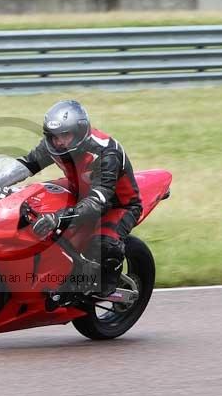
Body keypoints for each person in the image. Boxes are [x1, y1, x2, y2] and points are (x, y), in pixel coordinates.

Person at [16, 100, 143, 298]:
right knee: (31, 212)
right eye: (54, 136)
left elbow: (98, 202)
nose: (58, 142)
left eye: (65, 135)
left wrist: (58, 217)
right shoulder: (54, 146)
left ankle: (104, 283)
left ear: (80, 131)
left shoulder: (105, 153)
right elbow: (26, 164)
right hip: (79, 193)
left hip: (116, 204)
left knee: (103, 244)